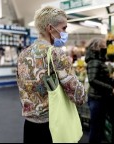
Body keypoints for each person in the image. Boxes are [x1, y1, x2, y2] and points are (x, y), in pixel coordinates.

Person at [17, 6, 87, 143]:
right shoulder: (55, 53)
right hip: (52, 127)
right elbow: (79, 96)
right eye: (64, 28)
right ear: (50, 28)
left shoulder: (23, 54)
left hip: (30, 126)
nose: (65, 33)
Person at [85, 38, 114, 143]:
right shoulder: (94, 61)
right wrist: (110, 88)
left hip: (100, 97)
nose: (106, 47)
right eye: (104, 45)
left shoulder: (98, 59)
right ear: (97, 47)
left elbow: (98, 77)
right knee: (96, 127)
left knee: (98, 126)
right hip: (96, 98)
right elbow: (92, 80)